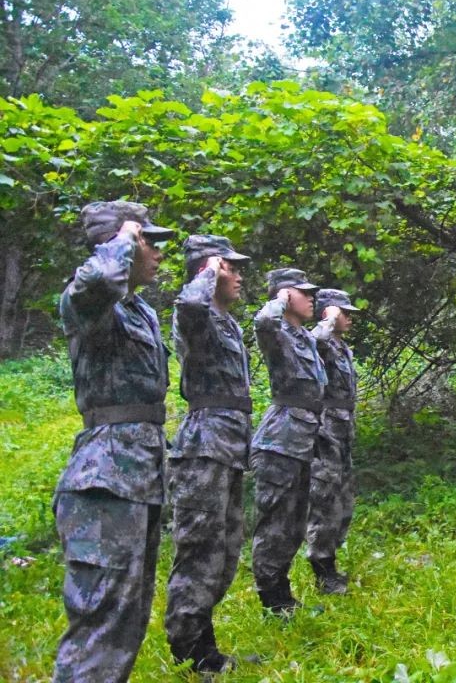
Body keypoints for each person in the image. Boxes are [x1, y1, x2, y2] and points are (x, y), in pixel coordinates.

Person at [53, 201, 174, 682]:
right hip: (104, 482)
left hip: (137, 479)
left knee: (125, 618)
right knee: (100, 624)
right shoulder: (88, 301)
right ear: (121, 244)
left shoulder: (137, 309)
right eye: (151, 241)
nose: (159, 252)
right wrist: (123, 237)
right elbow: (98, 280)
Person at [166, 235, 252, 672]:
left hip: (230, 445)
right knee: (199, 550)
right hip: (205, 447)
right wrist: (206, 271)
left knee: (225, 551)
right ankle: (191, 654)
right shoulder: (194, 314)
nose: (237, 275)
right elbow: (189, 306)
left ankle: (206, 647)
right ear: (210, 269)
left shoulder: (227, 321)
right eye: (229, 267)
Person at [250, 268, 325, 614]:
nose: (311, 297)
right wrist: (278, 299)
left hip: (303, 438)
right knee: (275, 523)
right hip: (280, 440)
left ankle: (284, 595)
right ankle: (272, 598)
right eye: (303, 291)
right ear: (284, 295)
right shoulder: (276, 331)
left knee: (294, 523)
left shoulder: (304, 336)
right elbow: (263, 322)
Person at [306, 289, 361, 594]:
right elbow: (313, 342)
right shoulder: (322, 342)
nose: (349, 317)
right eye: (344, 312)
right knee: (324, 501)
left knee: (344, 500)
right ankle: (323, 571)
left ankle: (331, 563)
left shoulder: (342, 347)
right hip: (326, 433)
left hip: (343, 431)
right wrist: (326, 320)